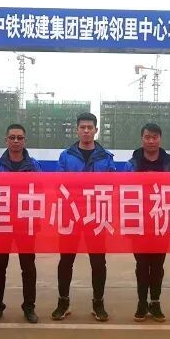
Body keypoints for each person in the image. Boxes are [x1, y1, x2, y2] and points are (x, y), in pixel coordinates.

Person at [52, 112, 116, 322]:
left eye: (90, 127)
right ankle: (63, 302)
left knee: (98, 262)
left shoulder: (106, 158)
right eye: (83, 127)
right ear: (77, 130)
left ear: (96, 130)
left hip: (96, 217)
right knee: (66, 260)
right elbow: (59, 186)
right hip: (71, 216)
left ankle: (98, 303)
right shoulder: (66, 156)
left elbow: (112, 187)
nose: (86, 131)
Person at [0, 124, 42, 324]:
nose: (16, 141)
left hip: (25, 222)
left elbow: (40, 191)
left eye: (19, 137)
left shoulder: (34, 166)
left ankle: (29, 307)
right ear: (6, 140)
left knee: (28, 266)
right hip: (2, 221)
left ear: (25, 140)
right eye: (12, 137)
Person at [125, 123, 170, 322]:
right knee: (142, 264)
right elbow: (124, 192)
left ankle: (155, 302)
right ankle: (141, 302)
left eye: (155, 137)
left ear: (160, 139)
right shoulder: (132, 164)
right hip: (139, 222)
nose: (151, 141)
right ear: (142, 139)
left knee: (157, 265)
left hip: (162, 221)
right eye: (147, 137)